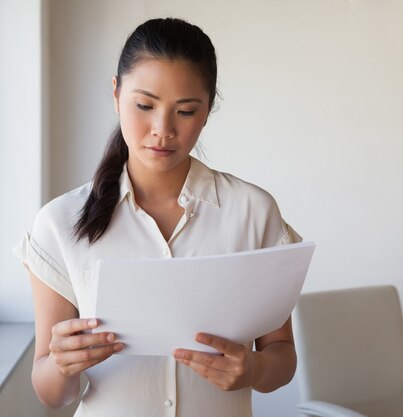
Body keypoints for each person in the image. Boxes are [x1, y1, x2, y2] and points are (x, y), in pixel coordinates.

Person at [13, 17, 301, 417]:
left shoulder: (252, 212)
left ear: (207, 110)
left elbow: (282, 358)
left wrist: (253, 369)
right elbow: (51, 394)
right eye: (144, 106)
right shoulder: (60, 222)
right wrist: (62, 364)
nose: (162, 130)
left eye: (185, 111)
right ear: (116, 94)